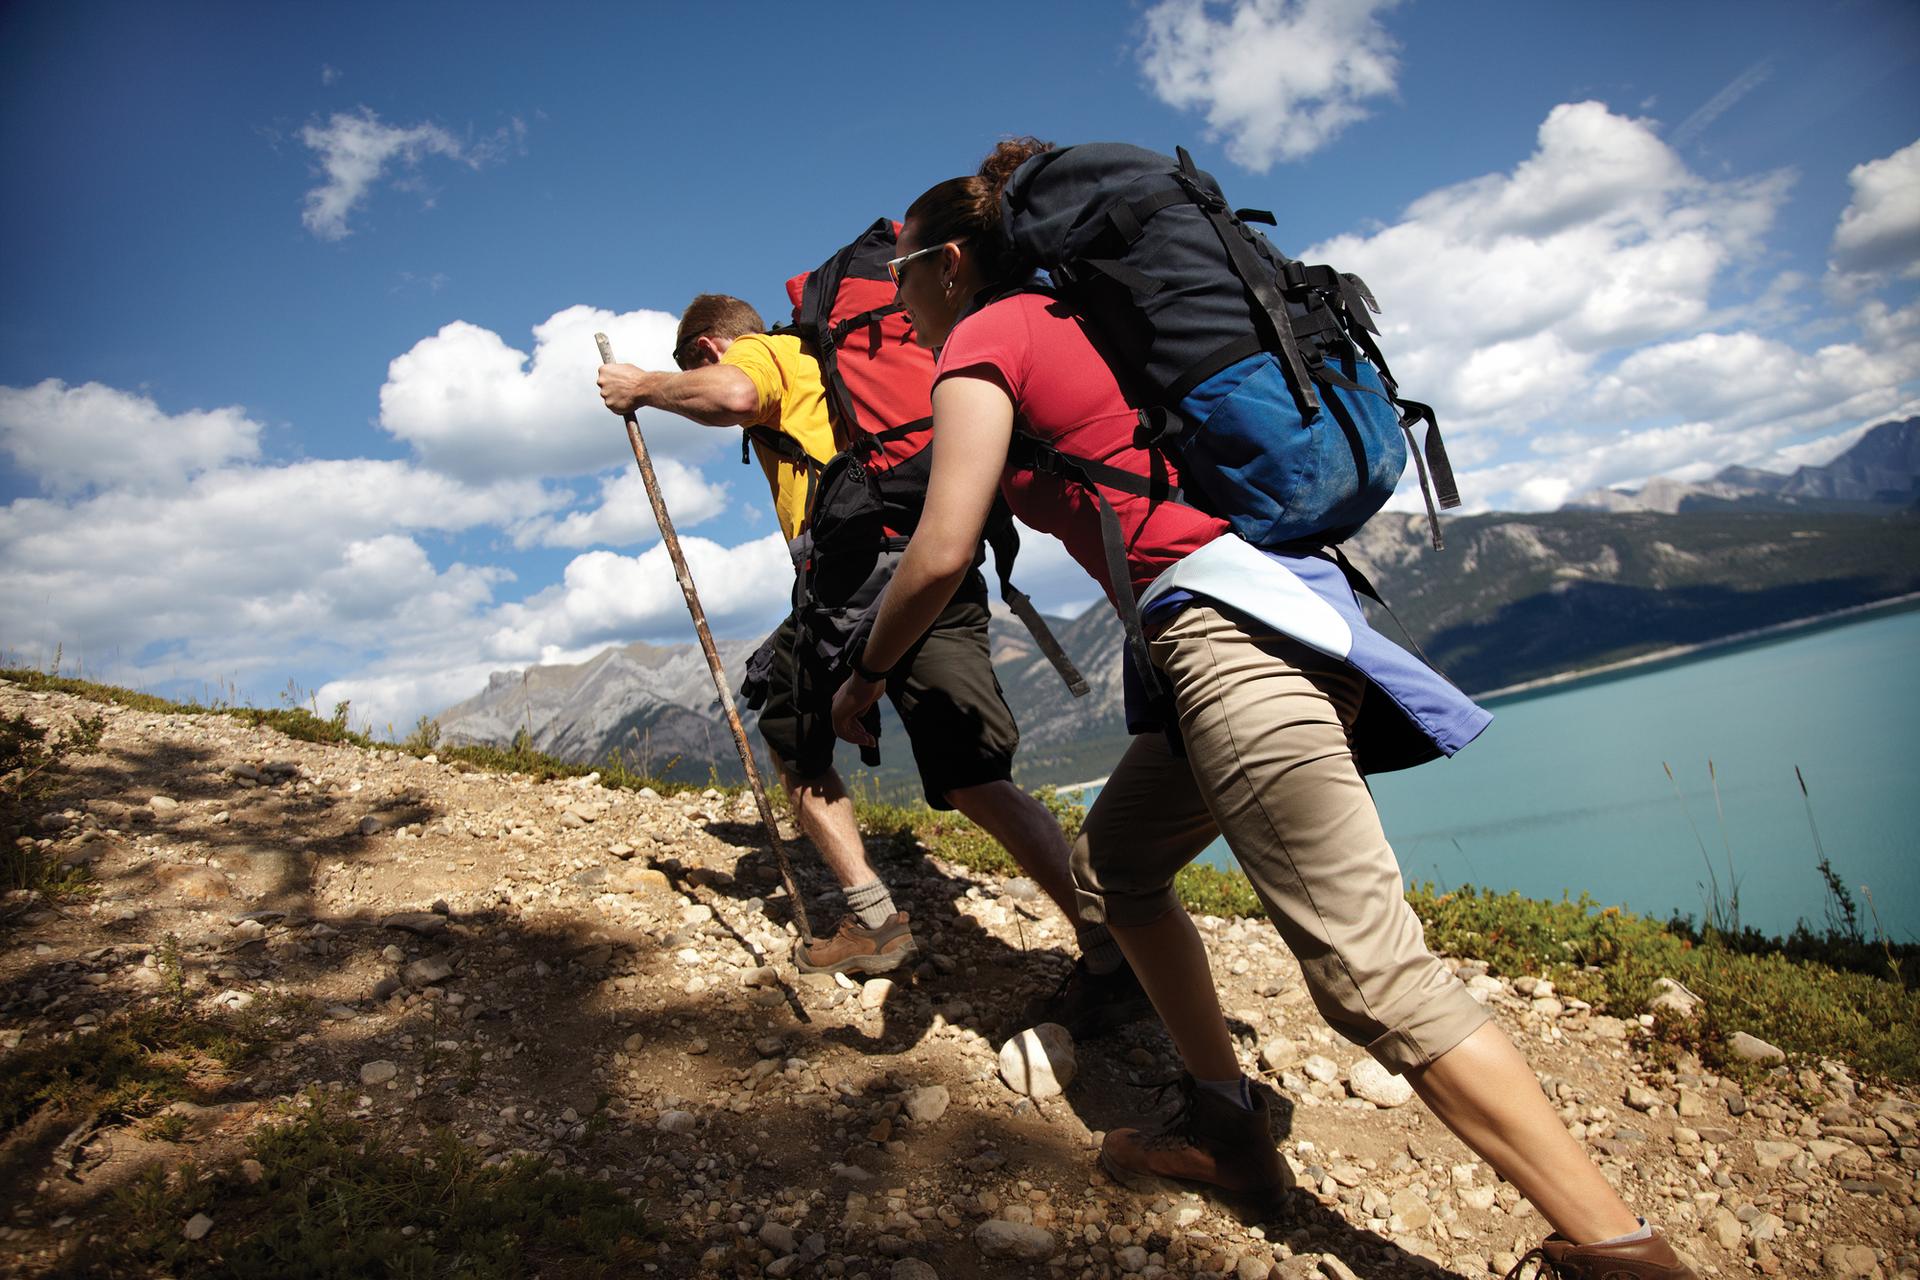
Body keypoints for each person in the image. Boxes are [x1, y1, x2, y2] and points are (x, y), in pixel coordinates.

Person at [828, 141, 1698, 1280]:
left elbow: (942, 548)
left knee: (1372, 977)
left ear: (950, 263)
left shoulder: (991, 333)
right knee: (1120, 863)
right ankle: (1227, 1129)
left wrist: (865, 672)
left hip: (1229, 647)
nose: (905, 321)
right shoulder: (1088, 324)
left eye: (906, 292)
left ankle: (1623, 1250)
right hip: (1285, 618)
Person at [597, 295, 1151, 1034]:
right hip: (934, 563)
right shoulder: (851, 371)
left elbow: (731, 394)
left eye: (691, 366)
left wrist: (641, 388)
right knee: (977, 775)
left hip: (848, 580)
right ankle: (1110, 948)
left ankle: (873, 918)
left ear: (706, 347)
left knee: (789, 725)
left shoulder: (764, 357)